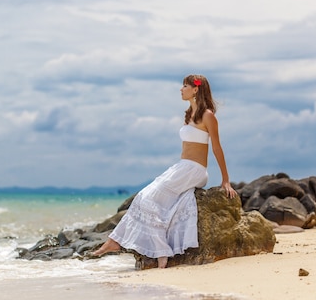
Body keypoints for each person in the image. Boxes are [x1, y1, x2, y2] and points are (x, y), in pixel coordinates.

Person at [90, 74, 237, 268]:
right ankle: (115, 241)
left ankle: (159, 252)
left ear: (195, 89)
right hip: (182, 166)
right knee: (149, 198)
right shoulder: (189, 114)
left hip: (194, 170)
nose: (180, 89)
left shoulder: (208, 115)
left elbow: (217, 147)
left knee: (147, 197)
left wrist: (225, 180)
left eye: (185, 86)